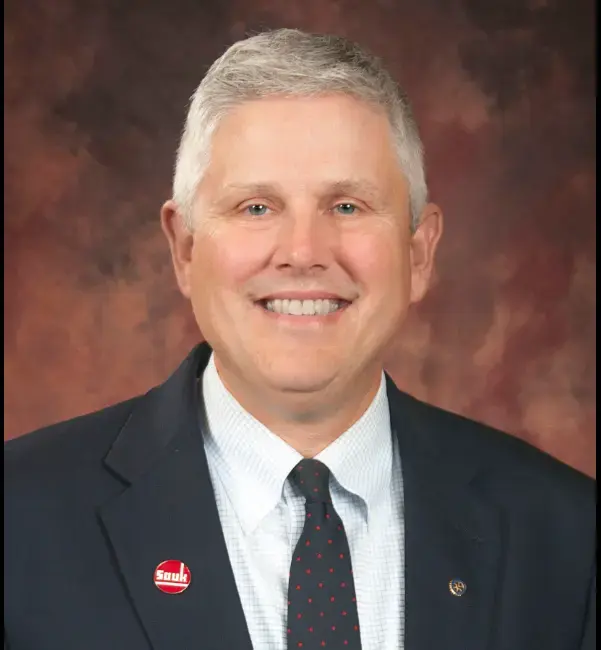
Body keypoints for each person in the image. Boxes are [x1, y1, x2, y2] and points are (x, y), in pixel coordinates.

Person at [3, 28, 595, 650]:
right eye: (257, 207)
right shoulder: (19, 520)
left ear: (419, 253)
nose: (304, 252)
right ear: (185, 249)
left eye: (347, 206)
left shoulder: (567, 537)